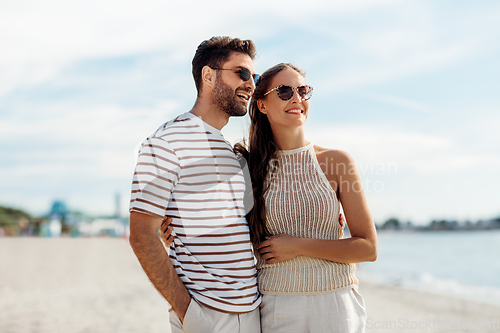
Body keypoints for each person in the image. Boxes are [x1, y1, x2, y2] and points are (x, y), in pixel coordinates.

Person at [129, 36, 262, 333]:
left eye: (253, 76)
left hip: (252, 311)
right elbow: (141, 235)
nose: (251, 84)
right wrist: (188, 312)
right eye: (241, 73)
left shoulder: (231, 152)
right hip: (207, 316)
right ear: (208, 75)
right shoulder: (165, 142)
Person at [244, 63, 377, 332]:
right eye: (283, 91)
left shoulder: (337, 162)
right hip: (276, 306)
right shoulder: (248, 168)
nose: (297, 98)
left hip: (336, 304)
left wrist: (298, 246)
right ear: (262, 105)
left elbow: (368, 248)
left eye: (303, 90)